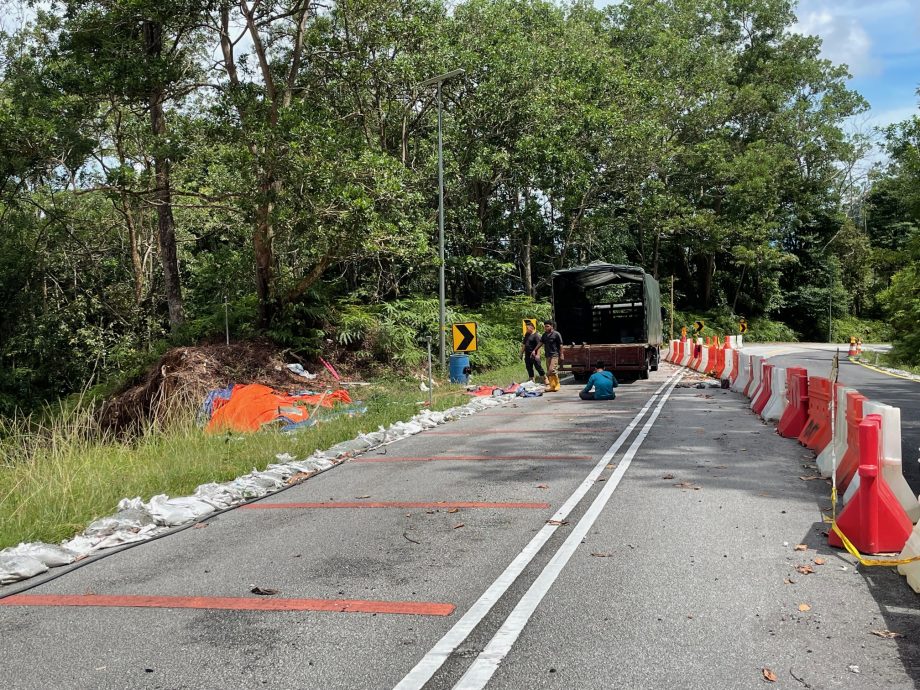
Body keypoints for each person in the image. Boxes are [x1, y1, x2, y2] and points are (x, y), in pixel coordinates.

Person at [534, 320, 564, 392]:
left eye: (547, 326)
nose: (546, 328)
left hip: (555, 355)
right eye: (545, 326)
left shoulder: (556, 334)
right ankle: (552, 386)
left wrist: (562, 354)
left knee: (551, 370)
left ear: (552, 326)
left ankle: (557, 384)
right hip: (547, 355)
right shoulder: (544, 335)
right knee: (550, 371)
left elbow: (560, 345)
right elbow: (541, 343)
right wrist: (534, 350)